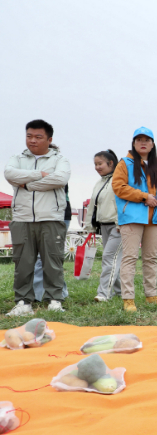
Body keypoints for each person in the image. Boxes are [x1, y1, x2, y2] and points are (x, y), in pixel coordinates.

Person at [4, 120, 71, 317]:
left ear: (49, 139)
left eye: (38, 137)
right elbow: (9, 174)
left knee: (53, 261)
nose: (32, 140)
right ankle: (23, 302)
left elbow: (60, 179)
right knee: (22, 263)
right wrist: (39, 174)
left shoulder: (60, 160)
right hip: (22, 218)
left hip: (51, 217)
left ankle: (55, 300)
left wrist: (27, 184)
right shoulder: (17, 158)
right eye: (29, 136)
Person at [113, 127, 157, 312]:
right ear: (133, 143)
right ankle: (128, 299)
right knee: (130, 257)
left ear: (153, 144)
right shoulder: (124, 163)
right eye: (139, 139)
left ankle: (151, 296)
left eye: (147, 140)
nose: (143, 143)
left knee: (150, 258)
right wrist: (144, 196)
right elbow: (118, 186)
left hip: (155, 219)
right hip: (132, 218)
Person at [86, 150, 122, 302]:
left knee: (109, 258)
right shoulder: (99, 183)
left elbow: (123, 203)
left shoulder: (119, 180)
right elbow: (92, 206)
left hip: (118, 226)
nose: (97, 167)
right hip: (104, 226)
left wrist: (120, 222)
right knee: (114, 259)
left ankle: (103, 294)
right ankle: (120, 292)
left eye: (100, 164)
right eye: (95, 164)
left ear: (111, 163)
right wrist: (89, 228)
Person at [33, 183, 71, 302]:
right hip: (41, 213)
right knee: (45, 256)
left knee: (50, 256)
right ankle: (59, 292)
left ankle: (39, 294)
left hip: (58, 214)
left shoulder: (59, 174)